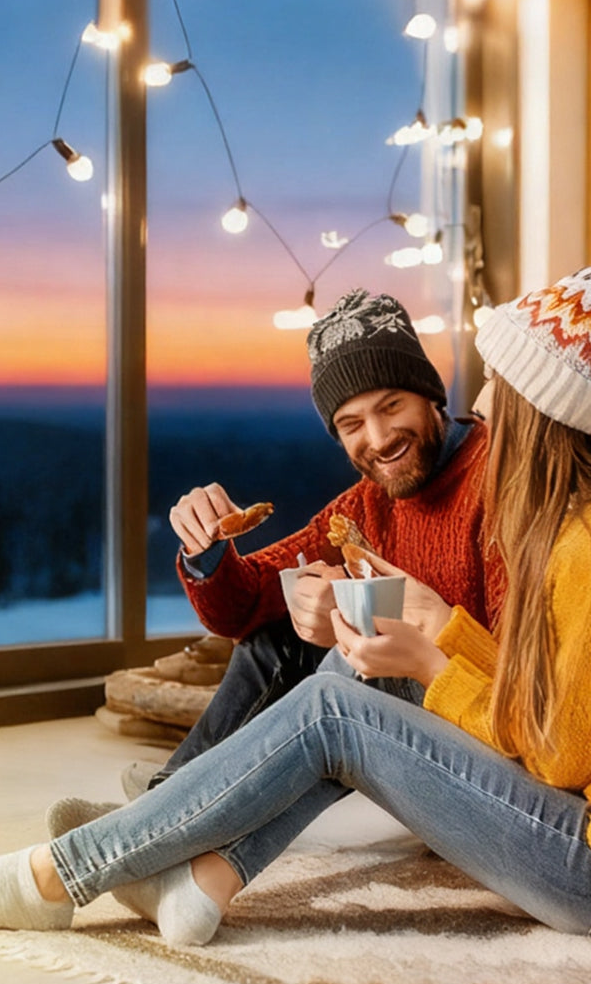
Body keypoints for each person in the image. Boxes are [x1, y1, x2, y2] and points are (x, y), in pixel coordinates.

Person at [0, 229, 591, 951]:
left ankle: (58, 876)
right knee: (342, 677)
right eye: (351, 423)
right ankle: (200, 876)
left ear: (533, 410)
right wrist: (217, 559)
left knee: (337, 705)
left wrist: (433, 647)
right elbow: (256, 604)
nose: (481, 406)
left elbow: (561, 750)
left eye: (494, 388)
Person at [125, 287, 504, 799]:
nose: (378, 437)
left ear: (429, 394)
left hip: (479, 737)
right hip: (399, 720)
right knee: (274, 636)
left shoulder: (499, 477)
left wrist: (386, 625)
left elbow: (516, 665)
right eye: (351, 425)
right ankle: (173, 797)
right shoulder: (363, 505)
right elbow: (245, 606)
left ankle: (172, 810)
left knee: (341, 656)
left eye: (392, 406)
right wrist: (205, 549)